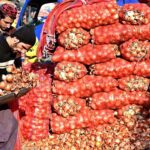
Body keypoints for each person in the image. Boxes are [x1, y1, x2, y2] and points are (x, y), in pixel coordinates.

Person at [0, 25, 36, 150]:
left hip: (2, 97)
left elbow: (16, 73)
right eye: (24, 48)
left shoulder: (15, 52)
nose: (24, 52)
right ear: (16, 39)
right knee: (7, 127)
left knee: (10, 126)